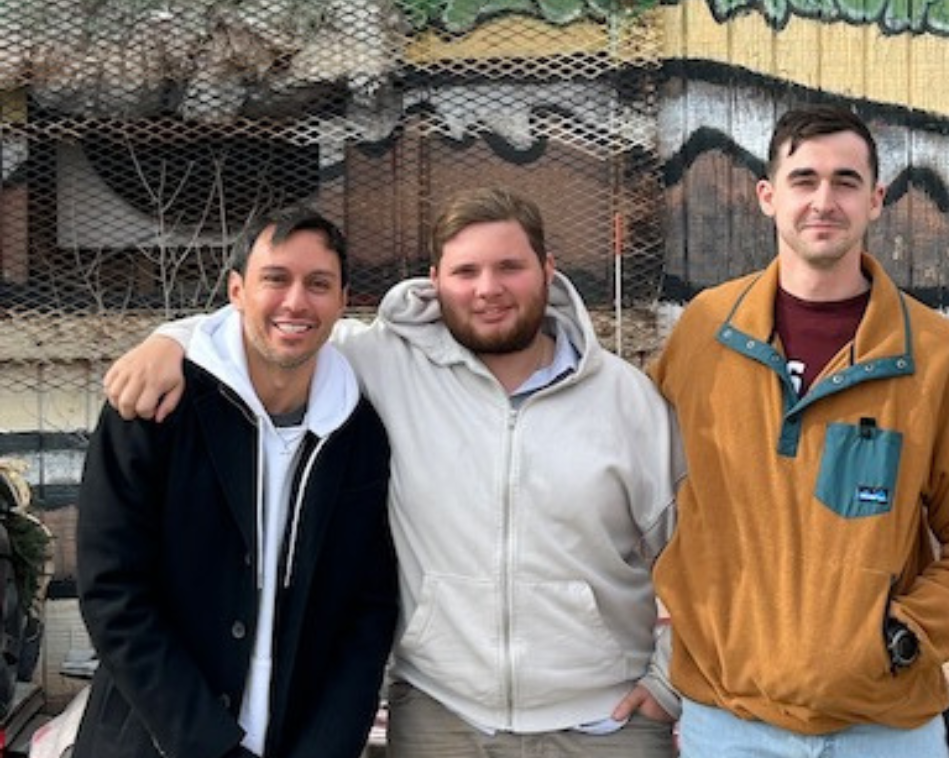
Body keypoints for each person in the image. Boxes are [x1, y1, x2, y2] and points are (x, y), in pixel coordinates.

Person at [102, 187, 684, 757]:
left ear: (548, 270)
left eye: (510, 267)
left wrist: (667, 680)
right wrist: (169, 340)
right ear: (435, 280)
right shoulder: (384, 362)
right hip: (444, 719)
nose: (488, 289)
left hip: (607, 724)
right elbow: (278, 329)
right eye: (465, 271)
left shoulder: (626, 401)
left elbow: (701, 552)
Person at [647, 104, 949, 756]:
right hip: (728, 724)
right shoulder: (705, 335)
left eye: (845, 181)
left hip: (885, 732)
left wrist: (903, 636)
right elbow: (633, 488)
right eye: (804, 180)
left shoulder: (936, 357)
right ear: (768, 197)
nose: (824, 200)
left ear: (876, 200)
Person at [76, 208, 399, 758]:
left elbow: (367, 613)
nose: (296, 302)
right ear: (236, 290)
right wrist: (211, 745)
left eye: (318, 284)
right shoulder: (156, 410)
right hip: (154, 740)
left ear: (344, 301)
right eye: (275, 279)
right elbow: (113, 591)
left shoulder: (359, 431)